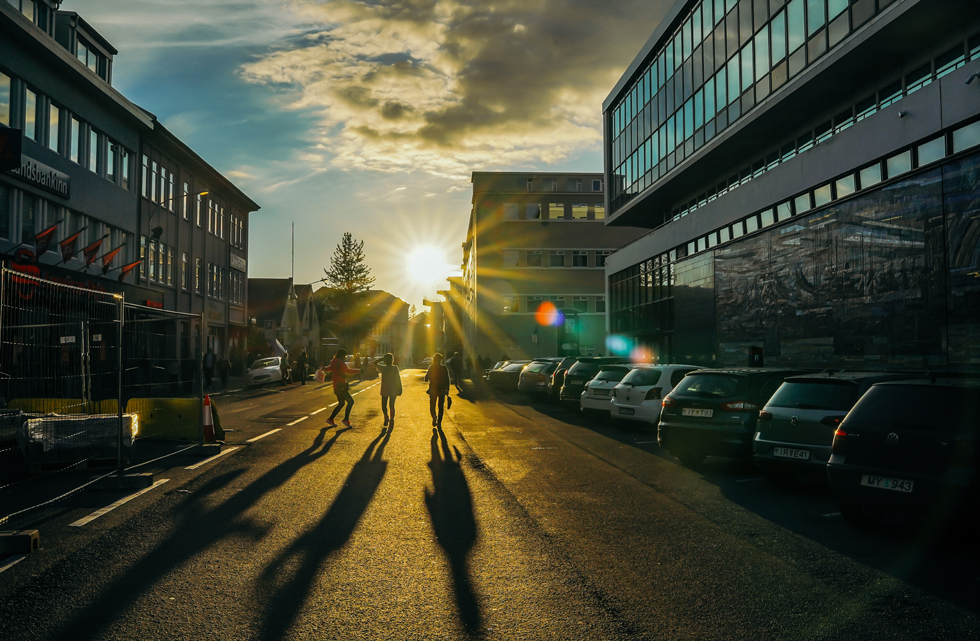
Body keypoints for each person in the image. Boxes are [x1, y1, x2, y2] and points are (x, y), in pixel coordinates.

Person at [326, 349, 359, 427]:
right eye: (345, 356)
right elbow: (347, 370)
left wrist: (321, 369)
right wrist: (358, 370)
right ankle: (346, 420)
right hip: (341, 385)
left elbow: (328, 369)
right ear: (342, 355)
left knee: (341, 403)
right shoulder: (340, 362)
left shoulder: (334, 361)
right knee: (350, 401)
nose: (345, 357)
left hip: (336, 385)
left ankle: (331, 419)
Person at [424, 352, 450, 428]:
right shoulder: (444, 368)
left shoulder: (431, 367)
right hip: (442, 389)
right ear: (441, 360)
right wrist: (447, 389)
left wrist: (430, 379)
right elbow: (447, 379)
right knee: (441, 406)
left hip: (433, 388)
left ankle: (434, 416)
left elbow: (426, 378)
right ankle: (439, 421)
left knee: (432, 405)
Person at [378, 353, 402, 428]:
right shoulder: (395, 368)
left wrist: (381, 359)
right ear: (392, 360)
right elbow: (398, 379)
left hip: (385, 389)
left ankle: (386, 417)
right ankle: (392, 419)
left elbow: (374, 363)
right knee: (392, 405)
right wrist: (400, 389)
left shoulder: (383, 368)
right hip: (393, 389)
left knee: (384, 405)